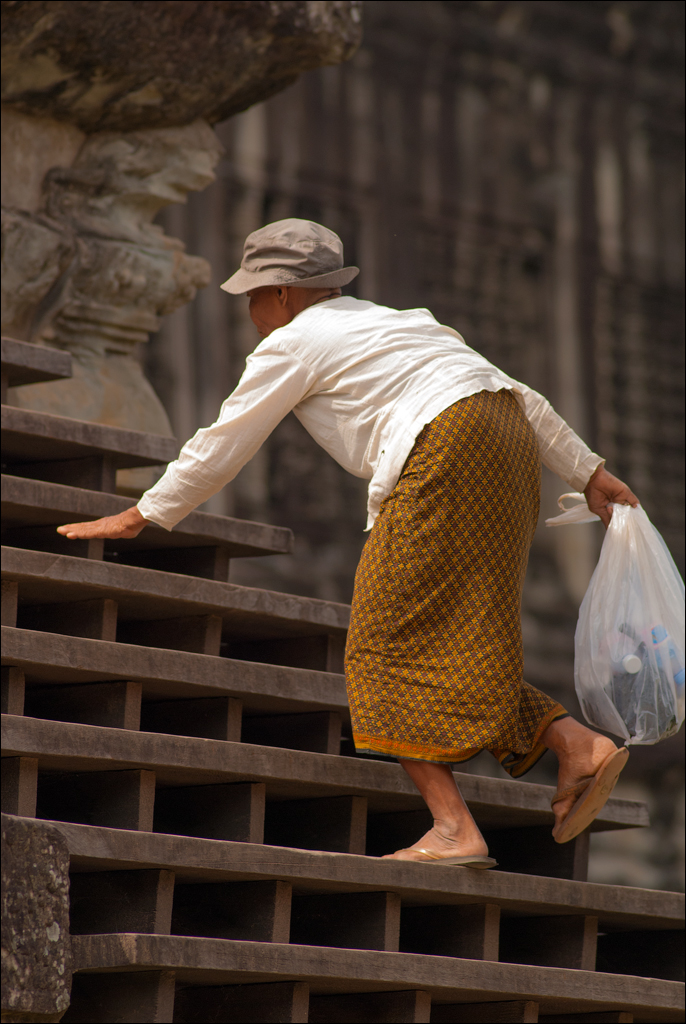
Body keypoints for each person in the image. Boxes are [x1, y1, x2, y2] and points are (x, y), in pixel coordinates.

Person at [58, 218, 637, 867]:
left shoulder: (294, 341)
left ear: (281, 293)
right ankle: (574, 743)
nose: (251, 311)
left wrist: (145, 512)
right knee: (466, 635)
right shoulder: (403, 322)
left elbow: (225, 438)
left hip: (444, 448)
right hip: (506, 446)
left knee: (380, 644)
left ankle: (453, 828)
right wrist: (589, 472)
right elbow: (521, 398)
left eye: (253, 295)